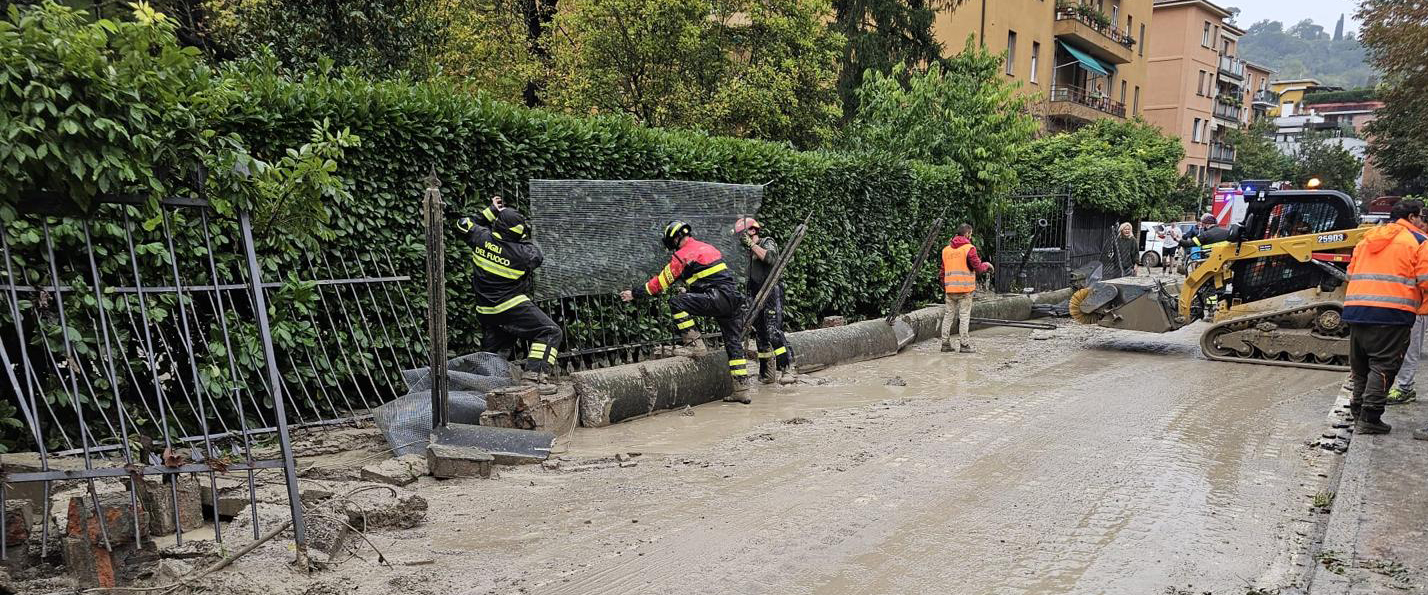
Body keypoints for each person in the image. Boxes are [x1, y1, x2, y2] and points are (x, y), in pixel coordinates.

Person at [621, 221, 752, 401]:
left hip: (715, 298)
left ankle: (695, 345)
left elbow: (659, 283)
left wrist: (634, 294)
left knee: (676, 302)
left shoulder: (682, 256)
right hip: (732, 300)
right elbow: (710, 278)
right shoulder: (708, 247)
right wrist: (692, 291)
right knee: (733, 343)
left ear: (675, 238)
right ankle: (742, 391)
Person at [457, 196, 562, 394]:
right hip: (510, 305)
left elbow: (463, 223)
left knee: (491, 355)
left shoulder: (480, 237)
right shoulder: (522, 254)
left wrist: (490, 212)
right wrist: (521, 237)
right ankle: (535, 378)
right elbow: (536, 255)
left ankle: (478, 388)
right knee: (550, 332)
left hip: (486, 310)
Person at [1343, 199, 1428, 435]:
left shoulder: (1368, 238)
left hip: (1356, 309)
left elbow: (1351, 274)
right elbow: (1425, 280)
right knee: (1383, 364)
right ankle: (1370, 417)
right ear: (1412, 218)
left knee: (1360, 366)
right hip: (1393, 313)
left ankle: (1357, 410)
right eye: (1421, 217)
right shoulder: (1418, 242)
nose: (1423, 222)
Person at [731, 217, 796, 385]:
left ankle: (787, 368)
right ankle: (767, 374)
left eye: (742, 235)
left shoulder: (767, 242)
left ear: (752, 231)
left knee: (773, 331)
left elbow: (771, 259)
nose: (740, 240)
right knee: (761, 335)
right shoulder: (747, 255)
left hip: (771, 293)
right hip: (756, 295)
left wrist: (752, 245)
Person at [940, 224, 993, 353]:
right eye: (971, 234)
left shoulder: (946, 250)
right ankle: (964, 345)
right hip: (965, 289)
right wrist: (987, 265)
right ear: (967, 234)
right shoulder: (969, 249)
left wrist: (945, 286)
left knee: (948, 316)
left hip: (950, 290)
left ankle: (945, 344)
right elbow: (978, 268)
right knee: (964, 316)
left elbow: (942, 272)